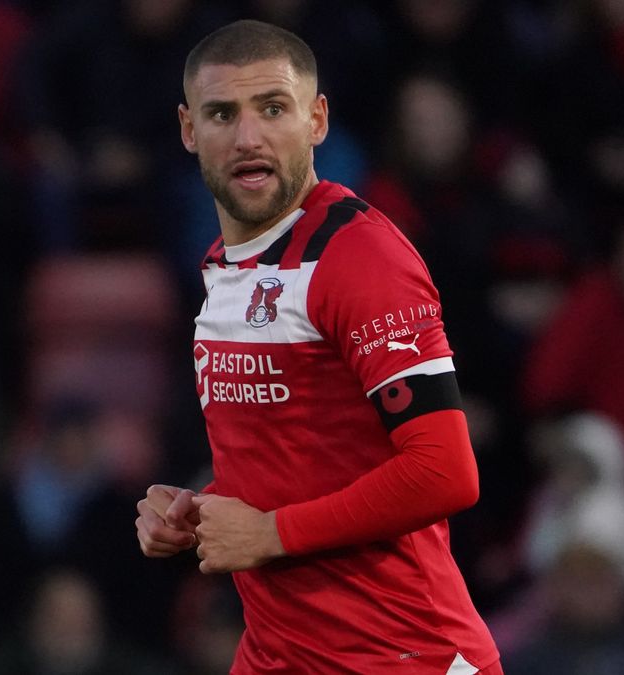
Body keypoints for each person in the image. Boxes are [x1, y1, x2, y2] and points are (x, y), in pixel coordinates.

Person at [134, 20, 502, 674]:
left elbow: (446, 469)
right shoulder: (225, 264)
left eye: (272, 109)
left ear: (317, 120)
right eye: (223, 114)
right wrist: (197, 507)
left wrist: (270, 534)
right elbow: (301, 459)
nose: (248, 138)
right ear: (190, 131)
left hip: (402, 655)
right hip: (283, 652)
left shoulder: (359, 254)